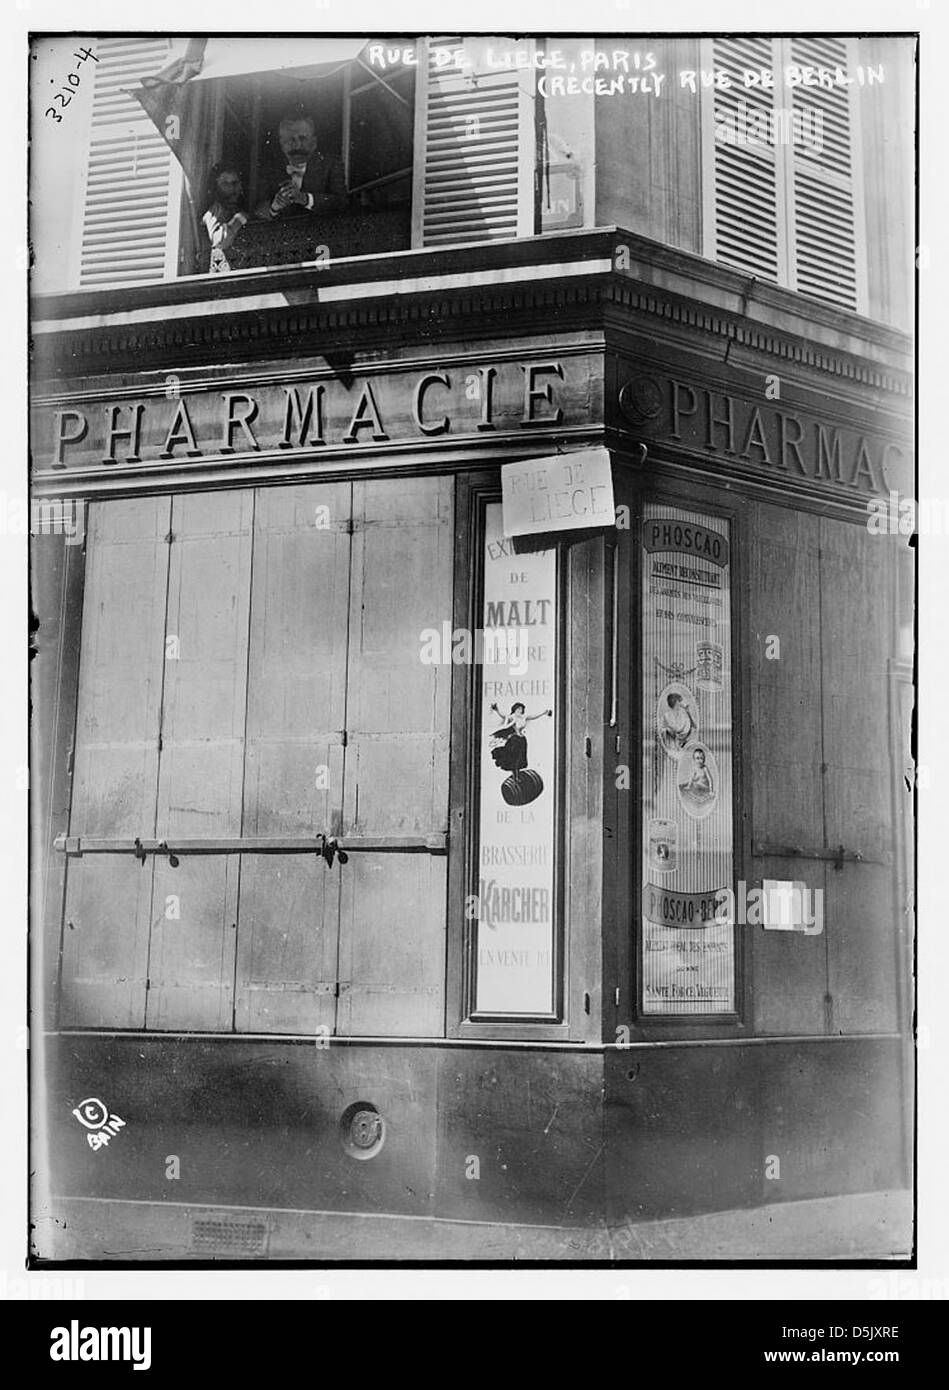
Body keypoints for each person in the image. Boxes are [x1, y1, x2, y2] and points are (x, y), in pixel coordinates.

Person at [255, 111, 347, 221]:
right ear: (281, 144)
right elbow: (257, 210)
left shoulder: (331, 165)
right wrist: (274, 208)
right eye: (290, 140)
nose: (297, 146)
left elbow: (341, 203)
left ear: (314, 142)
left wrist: (304, 198)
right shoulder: (269, 171)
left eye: (302, 138)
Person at [202, 163, 248, 273]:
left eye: (235, 183)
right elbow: (219, 240)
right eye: (225, 184)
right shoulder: (215, 209)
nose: (232, 188)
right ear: (216, 187)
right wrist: (239, 219)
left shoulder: (235, 208)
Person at [488, 701, 552, 774]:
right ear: (514, 709)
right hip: (514, 739)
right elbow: (503, 716)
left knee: (521, 756)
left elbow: (534, 716)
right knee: (514, 757)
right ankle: (514, 773)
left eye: (521, 709)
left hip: (522, 739)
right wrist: (497, 710)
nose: (519, 710)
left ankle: (517, 773)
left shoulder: (524, 717)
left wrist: (543, 713)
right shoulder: (511, 716)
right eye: (518, 708)